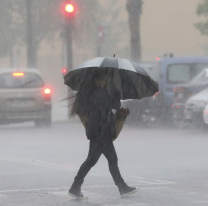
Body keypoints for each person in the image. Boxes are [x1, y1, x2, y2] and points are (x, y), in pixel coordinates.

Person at [68, 70, 139, 199]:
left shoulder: (95, 93)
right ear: (98, 80)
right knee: (107, 160)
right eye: (105, 80)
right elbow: (114, 104)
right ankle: (122, 187)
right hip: (100, 132)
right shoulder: (99, 93)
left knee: (95, 160)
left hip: (99, 132)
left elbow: (108, 109)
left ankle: (76, 186)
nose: (106, 82)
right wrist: (114, 91)